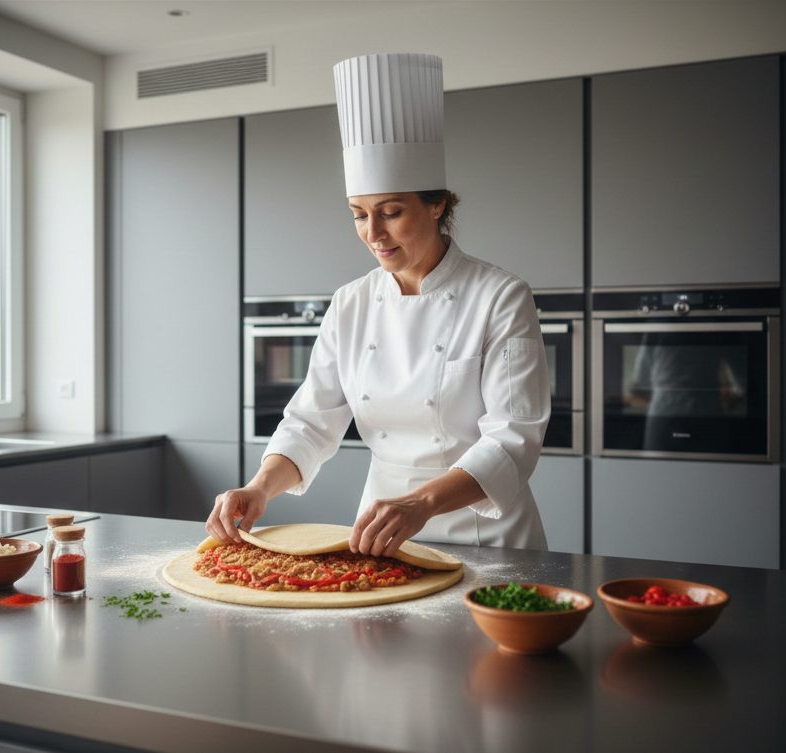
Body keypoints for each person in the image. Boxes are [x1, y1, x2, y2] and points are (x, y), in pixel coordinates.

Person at [206, 53, 550, 556]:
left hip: (486, 538)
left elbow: (513, 439)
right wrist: (260, 487)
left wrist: (421, 503)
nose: (374, 234)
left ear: (437, 205)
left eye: (391, 212)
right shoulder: (352, 302)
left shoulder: (499, 296)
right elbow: (311, 421)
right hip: (381, 537)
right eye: (359, 215)